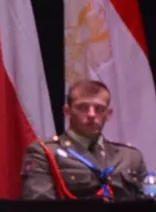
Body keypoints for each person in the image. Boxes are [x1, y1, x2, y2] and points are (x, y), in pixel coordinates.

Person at [20, 78, 149, 199]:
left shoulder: (129, 157)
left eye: (99, 109)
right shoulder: (44, 153)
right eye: (83, 107)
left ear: (108, 114)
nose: (91, 114)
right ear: (67, 111)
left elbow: (148, 207)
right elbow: (40, 207)